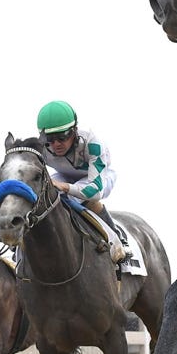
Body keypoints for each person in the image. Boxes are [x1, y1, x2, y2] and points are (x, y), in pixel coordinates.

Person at [35, 100, 128, 253]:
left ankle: (118, 239)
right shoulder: (41, 149)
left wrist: (65, 187)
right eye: (49, 139)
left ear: (74, 131)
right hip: (65, 175)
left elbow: (95, 191)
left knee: (72, 197)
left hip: (98, 180)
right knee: (46, 197)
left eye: (62, 136)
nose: (56, 144)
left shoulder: (93, 144)